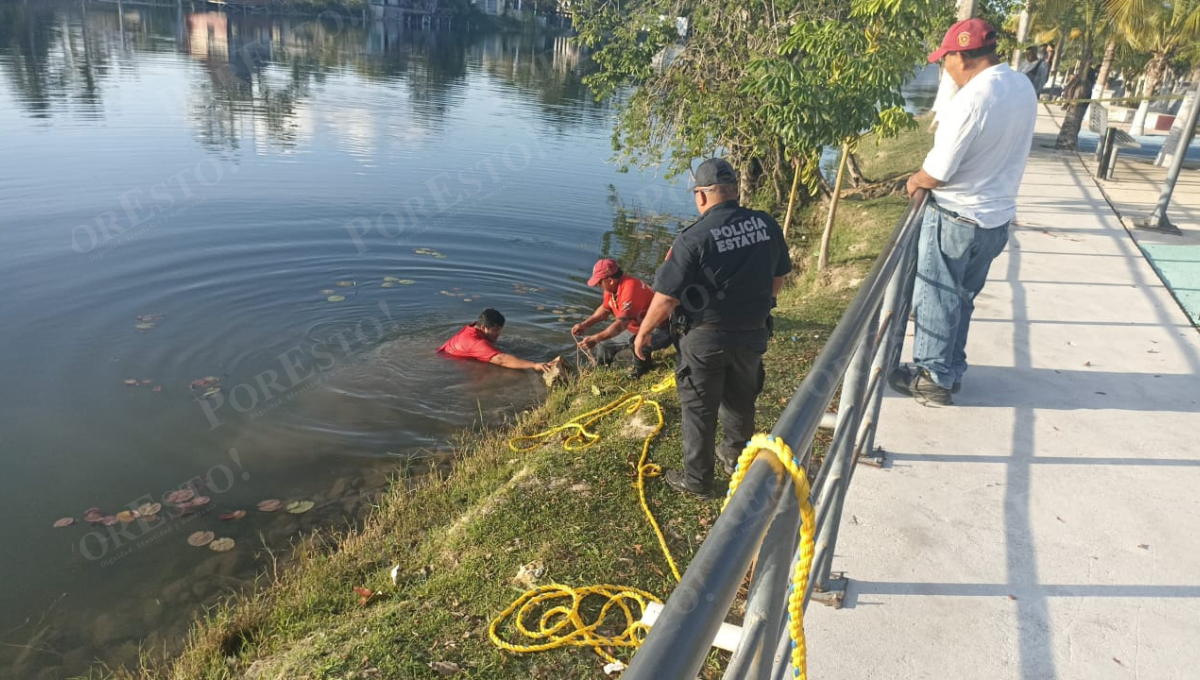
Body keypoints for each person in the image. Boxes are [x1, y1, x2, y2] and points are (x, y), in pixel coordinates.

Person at [895, 18, 1036, 405]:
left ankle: (932, 377)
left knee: (937, 296)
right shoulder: (1020, 85)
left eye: (946, 59)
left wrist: (914, 181)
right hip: (996, 218)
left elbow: (938, 173)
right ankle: (951, 369)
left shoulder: (972, 99)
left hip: (956, 217)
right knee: (962, 298)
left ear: (962, 57)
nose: (945, 68)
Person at [633, 158, 792, 496]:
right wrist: (759, 307)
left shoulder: (694, 238)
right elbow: (778, 277)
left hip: (704, 338)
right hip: (752, 333)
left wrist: (644, 332)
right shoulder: (765, 224)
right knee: (741, 400)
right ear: (734, 190)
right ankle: (737, 460)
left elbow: (666, 298)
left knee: (699, 409)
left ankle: (697, 481)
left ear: (702, 195)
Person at [571, 258, 672, 377]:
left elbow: (621, 325)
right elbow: (605, 309)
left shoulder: (630, 289)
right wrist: (585, 325)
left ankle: (641, 372)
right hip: (638, 328)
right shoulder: (612, 288)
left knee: (637, 343)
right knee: (604, 345)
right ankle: (601, 372)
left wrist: (595, 338)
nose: (598, 285)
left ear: (610, 280)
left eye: (599, 282)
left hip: (662, 330)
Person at [438, 308, 553, 372]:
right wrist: (534, 365)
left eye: (500, 329)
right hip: (448, 360)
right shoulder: (476, 343)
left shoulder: (473, 327)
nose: (498, 334)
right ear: (483, 327)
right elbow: (501, 359)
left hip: (447, 353)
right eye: (495, 330)